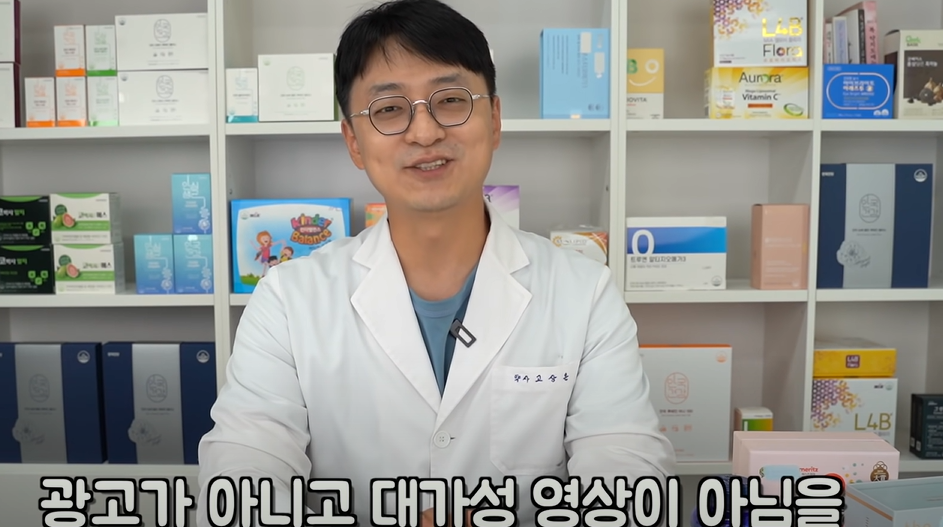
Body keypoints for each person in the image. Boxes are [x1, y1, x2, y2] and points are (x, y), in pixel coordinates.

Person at [196, 0, 675, 525]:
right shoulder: (288, 300)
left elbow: (628, 480)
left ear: (495, 119)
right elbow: (241, 483)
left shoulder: (585, 293)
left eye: (450, 101)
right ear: (354, 141)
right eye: (389, 109)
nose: (424, 133)